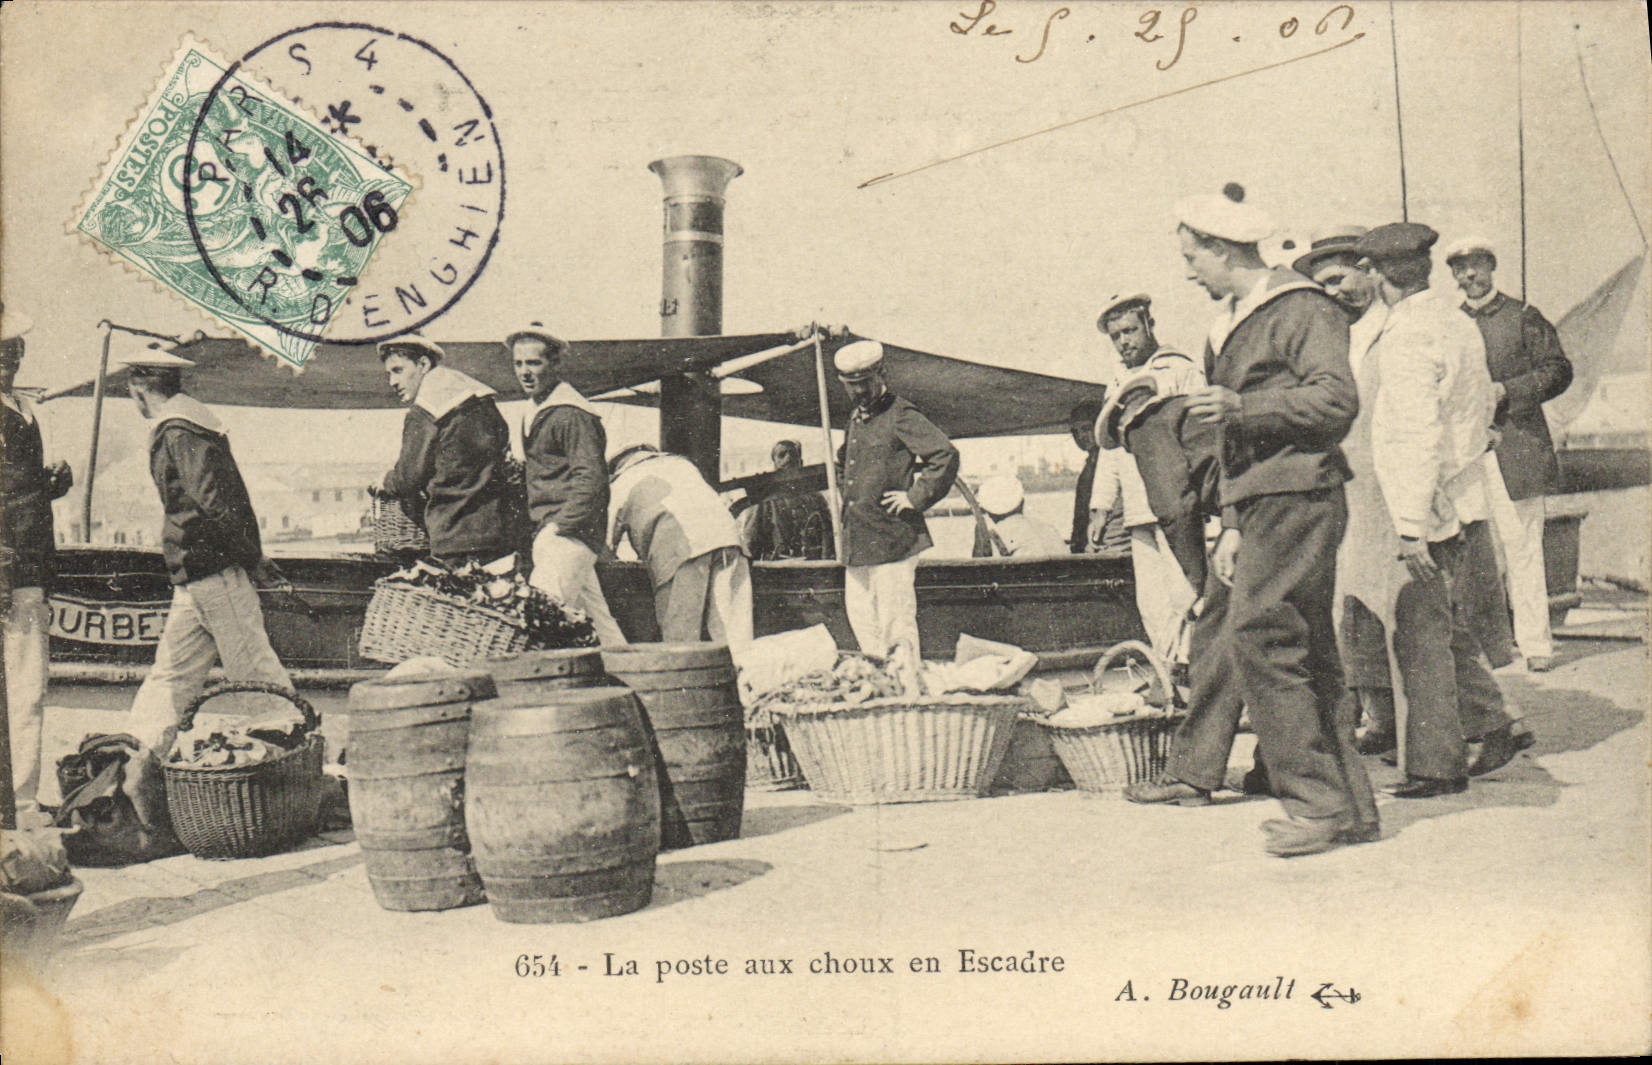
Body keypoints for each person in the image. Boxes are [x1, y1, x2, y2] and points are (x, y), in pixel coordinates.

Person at [1174, 184, 1372, 856]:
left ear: (1225, 248)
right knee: (1309, 649)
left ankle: (1316, 804)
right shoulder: (1232, 321)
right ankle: (1349, 806)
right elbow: (1227, 438)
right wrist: (1230, 519)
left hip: (1299, 491)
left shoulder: (1301, 308)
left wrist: (1244, 409)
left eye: (1192, 256)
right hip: (1263, 499)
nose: (1187, 271)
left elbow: (1335, 401)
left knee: (1260, 635)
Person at [1342, 223, 1522, 800]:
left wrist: (1410, 527)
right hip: (1457, 495)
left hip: (1422, 506)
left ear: (1379, 274)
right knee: (1442, 628)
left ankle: (1438, 766)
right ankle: (1497, 722)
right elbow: (1474, 411)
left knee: (1417, 638)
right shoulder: (1457, 321)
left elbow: (1414, 432)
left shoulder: (1406, 334)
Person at [122, 347, 293, 757]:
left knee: (174, 678)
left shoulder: (176, 432)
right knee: (251, 669)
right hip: (212, 573)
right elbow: (218, 504)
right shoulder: (193, 428)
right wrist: (254, 558)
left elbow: (209, 504)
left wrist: (249, 559)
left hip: (199, 572)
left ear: (140, 389)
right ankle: (293, 759)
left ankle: (134, 763)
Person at [1444, 236, 1575, 672]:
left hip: (1517, 448)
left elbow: (1558, 370)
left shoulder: (1523, 317)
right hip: (1466, 453)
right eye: (1460, 270)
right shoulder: (1448, 324)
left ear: (1491, 267)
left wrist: (1509, 390)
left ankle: (1536, 645)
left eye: (1477, 266)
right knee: (1472, 551)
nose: (1470, 276)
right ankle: (1488, 647)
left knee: (1522, 546)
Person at [1092, 293, 1204, 654]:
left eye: (1129, 330)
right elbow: (1109, 452)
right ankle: (1170, 675)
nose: (1124, 342)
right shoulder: (1116, 382)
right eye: (1116, 336)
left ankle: (1196, 670)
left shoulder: (1179, 370)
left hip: (1178, 502)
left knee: (1186, 594)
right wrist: (1101, 508)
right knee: (1153, 603)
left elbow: (1202, 434)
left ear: (1149, 325)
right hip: (1139, 510)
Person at [834, 340, 959, 659]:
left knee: (896, 628)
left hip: (893, 540)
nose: (859, 392)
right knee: (863, 624)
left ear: (881, 373)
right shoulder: (856, 418)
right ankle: (882, 696)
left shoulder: (900, 413)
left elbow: (944, 455)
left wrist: (915, 498)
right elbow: (845, 464)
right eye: (852, 386)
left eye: (864, 384)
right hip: (859, 542)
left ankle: (906, 692)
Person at [509, 322, 625, 646]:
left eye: (534, 363)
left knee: (536, 624)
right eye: (518, 363)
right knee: (602, 626)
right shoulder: (537, 411)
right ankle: (635, 681)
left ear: (556, 363)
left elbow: (592, 480)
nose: (525, 372)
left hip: (566, 537)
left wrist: (560, 528)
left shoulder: (571, 414)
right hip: (560, 535)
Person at [1, 310, 73, 826]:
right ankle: (19, 806)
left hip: (26, 567)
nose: (13, 357)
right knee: (23, 689)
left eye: (17, 348)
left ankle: (19, 800)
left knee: (26, 690)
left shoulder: (19, 410)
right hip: (11, 571)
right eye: (5, 350)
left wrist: (48, 484)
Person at [375, 336, 525, 567]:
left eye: (398, 370)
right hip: (501, 533)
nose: (392, 382)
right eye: (389, 374)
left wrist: (385, 481)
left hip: (455, 536)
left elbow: (406, 480)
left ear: (423, 365)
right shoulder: (481, 400)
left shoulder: (424, 412)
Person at [609, 444, 754, 662]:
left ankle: (684, 690)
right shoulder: (682, 465)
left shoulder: (623, 482)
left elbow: (605, 544)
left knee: (682, 637)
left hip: (680, 551)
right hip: (728, 539)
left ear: (617, 465)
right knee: (736, 634)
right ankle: (749, 688)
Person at [740, 439, 834, 561]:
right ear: (774, 463)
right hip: (778, 568)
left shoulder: (816, 498)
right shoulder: (765, 500)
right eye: (782, 455)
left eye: (793, 454)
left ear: (801, 462)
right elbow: (751, 540)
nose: (788, 458)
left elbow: (828, 535)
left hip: (812, 566)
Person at [971, 476, 1069, 557]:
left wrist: (979, 532)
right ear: (1022, 503)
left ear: (989, 512)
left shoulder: (996, 536)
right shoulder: (1048, 528)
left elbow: (978, 573)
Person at [1065, 400, 1107, 553]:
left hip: (1101, 543)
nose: (1081, 436)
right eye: (1075, 432)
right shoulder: (1089, 465)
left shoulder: (1108, 464)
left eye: (1086, 428)